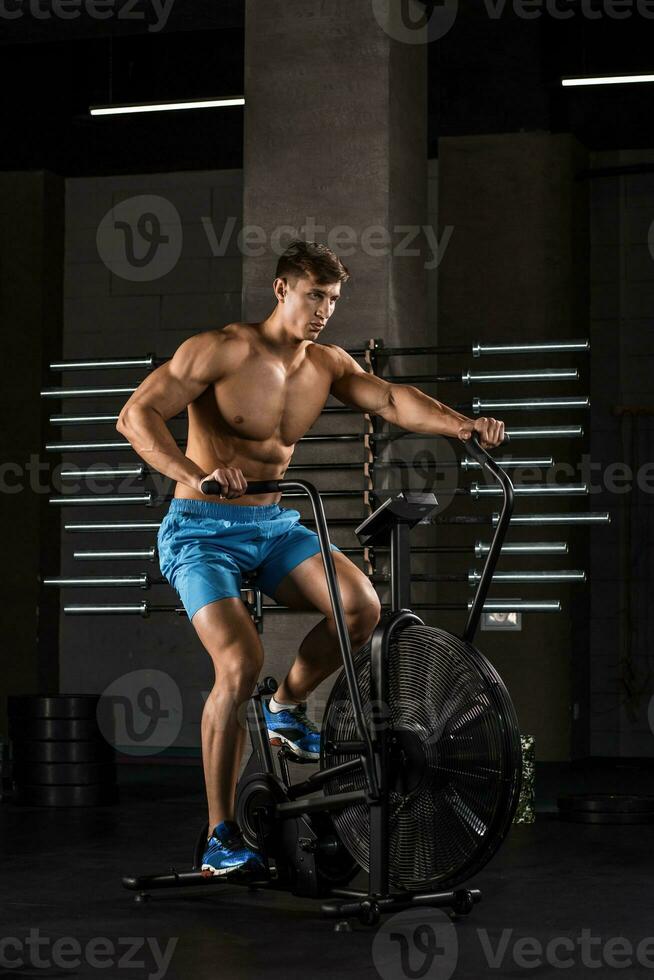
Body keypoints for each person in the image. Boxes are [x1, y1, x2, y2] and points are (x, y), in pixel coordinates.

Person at [116, 240, 505, 877]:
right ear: (281, 290)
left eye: (331, 299)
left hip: (273, 523)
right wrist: (197, 472)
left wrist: (463, 425)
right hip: (201, 529)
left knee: (361, 607)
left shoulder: (324, 364)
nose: (323, 310)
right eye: (312, 296)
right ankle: (220, 837)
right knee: (239, 661)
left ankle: (287, 709)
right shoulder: (221, 349)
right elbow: (135, 416)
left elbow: (390, 400)